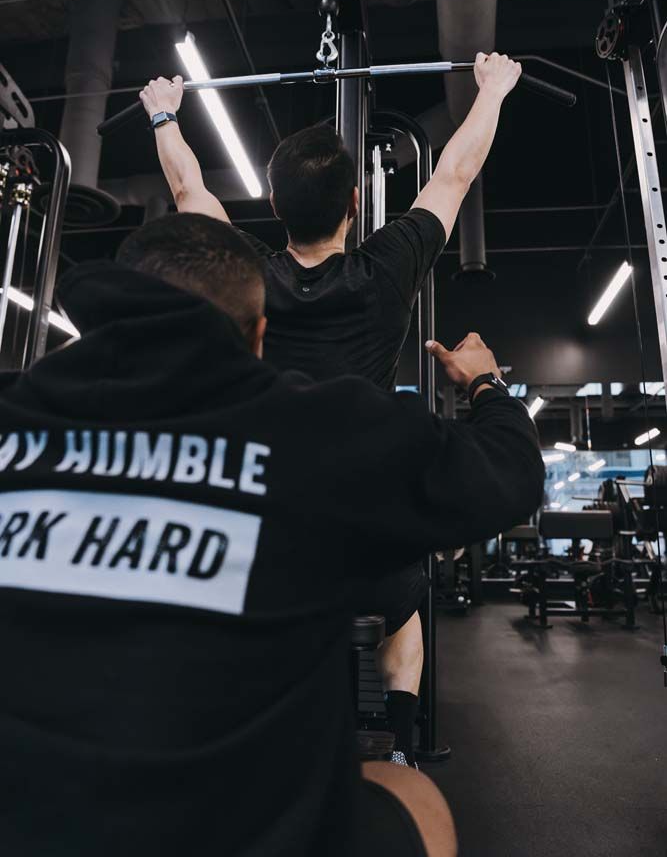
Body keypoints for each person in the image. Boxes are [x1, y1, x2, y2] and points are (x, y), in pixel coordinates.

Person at [0, 213, 543, 857]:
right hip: (236, 828)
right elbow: (510, 477)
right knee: (414, 795)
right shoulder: (316, 430)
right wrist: (484, 382)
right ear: (259, 337)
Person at [139, 52, 522, 766]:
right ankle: (398, 745)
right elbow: (454, 174)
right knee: (402, 611)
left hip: (276, 502)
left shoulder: (246, 266)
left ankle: (273, 733)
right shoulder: (387, 267)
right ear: (354, 204)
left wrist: (164, 110)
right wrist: (493, 90)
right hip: (365, 498)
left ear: (275, 207)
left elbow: (188, 183)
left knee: (274, 605)